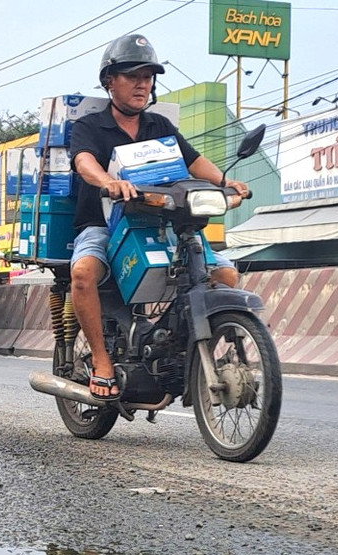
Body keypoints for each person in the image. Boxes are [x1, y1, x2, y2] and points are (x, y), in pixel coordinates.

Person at [68, 33, 250, 401]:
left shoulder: (160, 127)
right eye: (132, 75)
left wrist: (226, 181)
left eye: (148, 77)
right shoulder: (90, 126)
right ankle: (103, 362)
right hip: (106, 225)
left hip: (161, 224)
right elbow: (84, 161)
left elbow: (193, 161)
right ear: (109, 81)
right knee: (83, 274)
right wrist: (109, 181)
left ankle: (187, 352)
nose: (141, 84)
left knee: (227, 276)